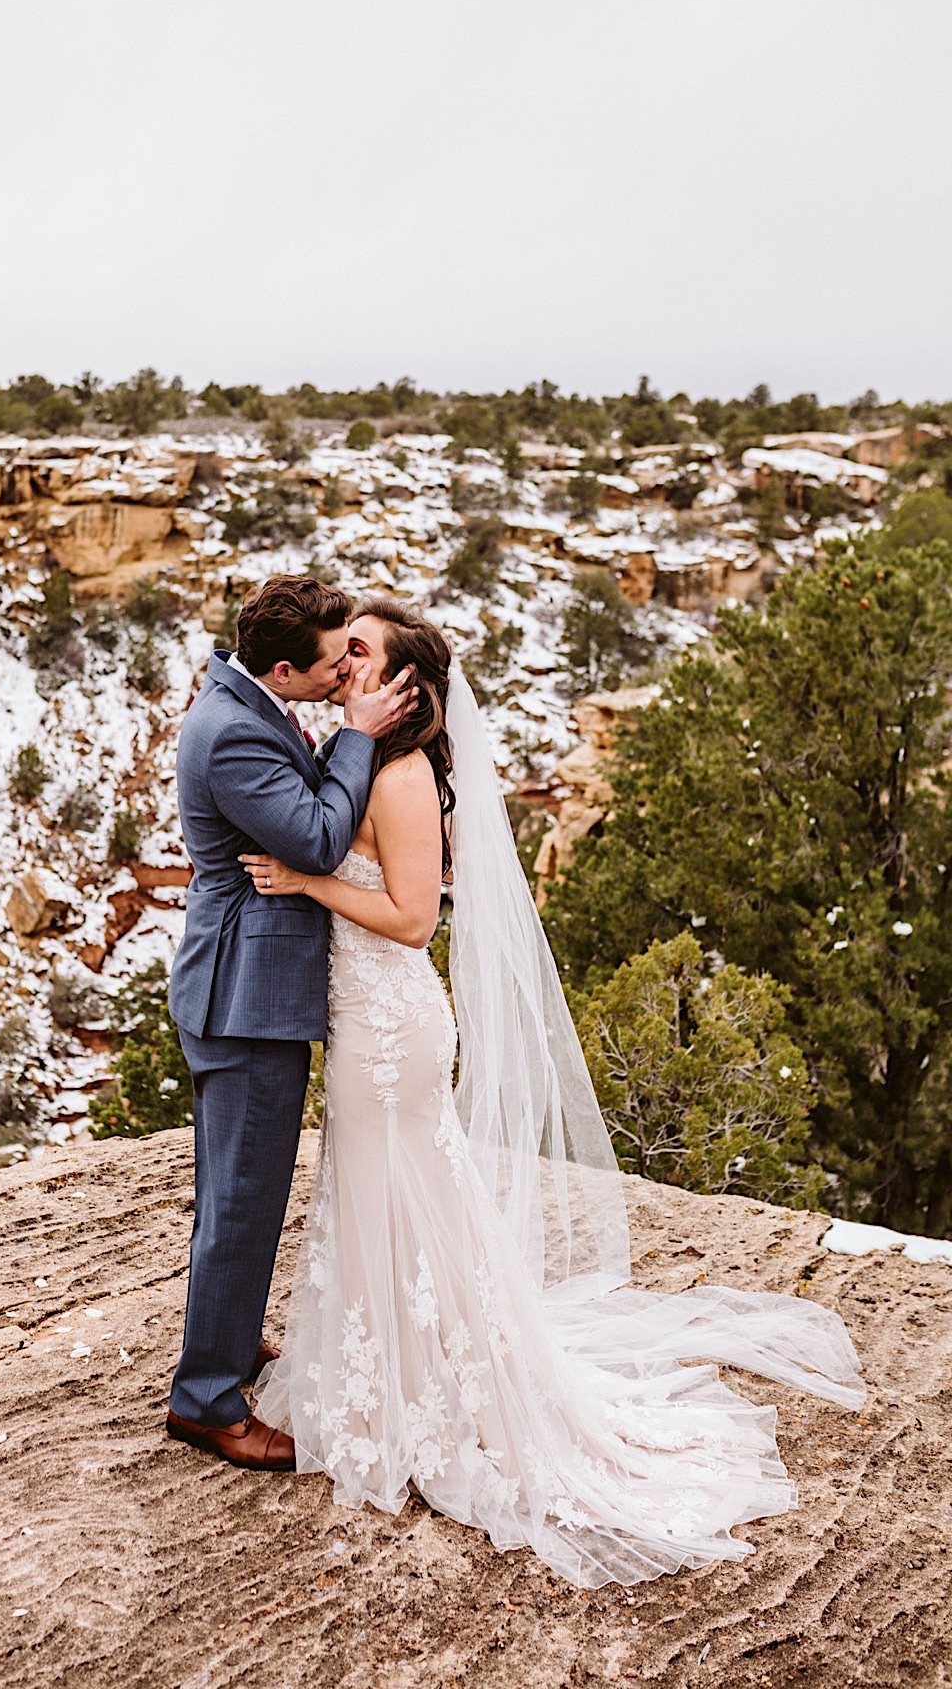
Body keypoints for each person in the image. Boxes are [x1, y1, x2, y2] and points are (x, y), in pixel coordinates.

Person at [241, 595, 865, 1587]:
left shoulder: (398, 778)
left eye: (358, 649)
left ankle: (425, 1398)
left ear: (404, 685)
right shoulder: (367, 758)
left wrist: (303, 882)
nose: (337, 657)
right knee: (387, 1197)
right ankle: (395, 1375)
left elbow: (409, 920)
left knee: (396, 1191)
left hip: (392, 1021)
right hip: (366, 1015)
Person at [166, 575, 416, 1471]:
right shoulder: (233, 731)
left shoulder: (248, 699)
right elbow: (311, 841)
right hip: (245, 1000)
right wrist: (356, 737)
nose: (344, 669)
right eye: (331, 662)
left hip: (247, 989)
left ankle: (224, 1352)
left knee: (240, 1193)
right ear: (281, 666)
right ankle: (205, 1402)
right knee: (241, 1202)